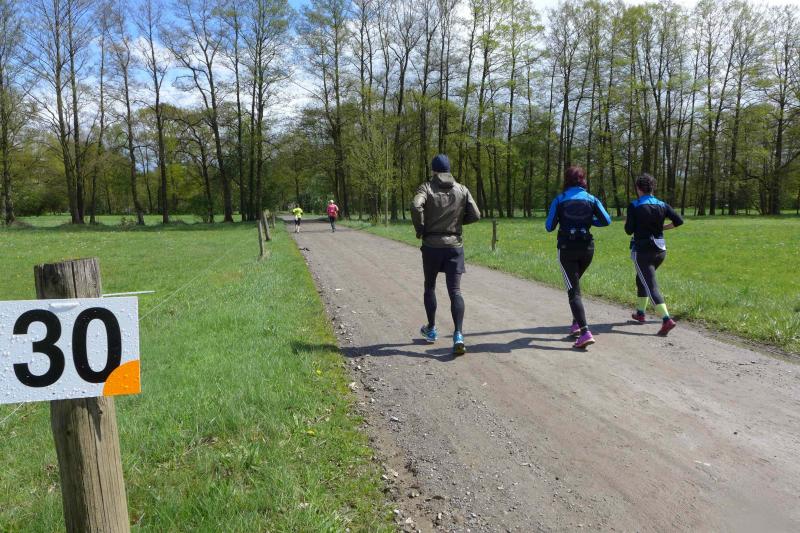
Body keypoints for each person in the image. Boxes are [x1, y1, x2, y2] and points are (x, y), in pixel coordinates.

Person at [411, 154, 480, 355]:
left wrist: (421, 229)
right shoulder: (462, 189)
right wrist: (457, 223)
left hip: (431, 246)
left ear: (433, 171)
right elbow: (476, 214)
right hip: (454, 246)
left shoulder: (426, 188)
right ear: (449, 170)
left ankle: (431, 329)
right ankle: (458, 334)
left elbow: (416, 205)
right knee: (455, 291)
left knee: (430, 286)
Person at [545, 166, 612, 349]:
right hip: (587, 249)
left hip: (567, 249)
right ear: (583, 180)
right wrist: (590, 221)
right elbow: (606, 220)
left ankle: (585, 332)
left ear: (566, 180)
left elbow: (549, 227)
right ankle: (576, 324)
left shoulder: (559, 199)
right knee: (575, 285)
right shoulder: (592, 199)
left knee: (573, 291)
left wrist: (561, 219)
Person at [625, 173, 684, 336]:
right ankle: (640, 313)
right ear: (653, 188)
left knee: (650, 285)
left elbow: (628, 230)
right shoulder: (662, 204)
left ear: (638, 188)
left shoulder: (635, 205)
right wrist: (663, 228)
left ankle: (666, 319)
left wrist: (629, 223)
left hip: (643, 251)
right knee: (641, 279)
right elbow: (679, 221)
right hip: (660, 251)